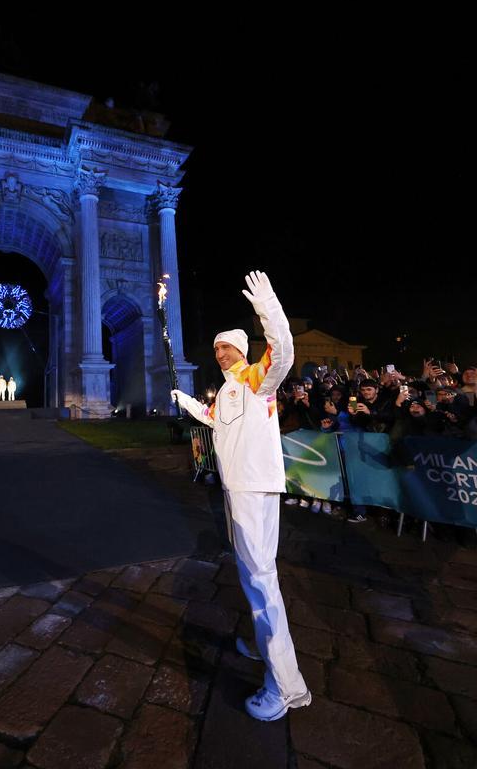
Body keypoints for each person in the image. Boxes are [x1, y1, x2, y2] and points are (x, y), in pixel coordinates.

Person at [171, 270, 310, 721]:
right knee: (253, 575)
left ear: (242, 349)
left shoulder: (255, 379)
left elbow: (284, 353)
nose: (219, 353)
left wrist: (267, 308)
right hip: (237, 490)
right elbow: (213, 419)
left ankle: (284, 685)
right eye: (216, 349)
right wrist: (187, 403)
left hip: (253, 487)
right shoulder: (231, 390)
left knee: (260, 579)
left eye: (226, 346)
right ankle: (262, 642)